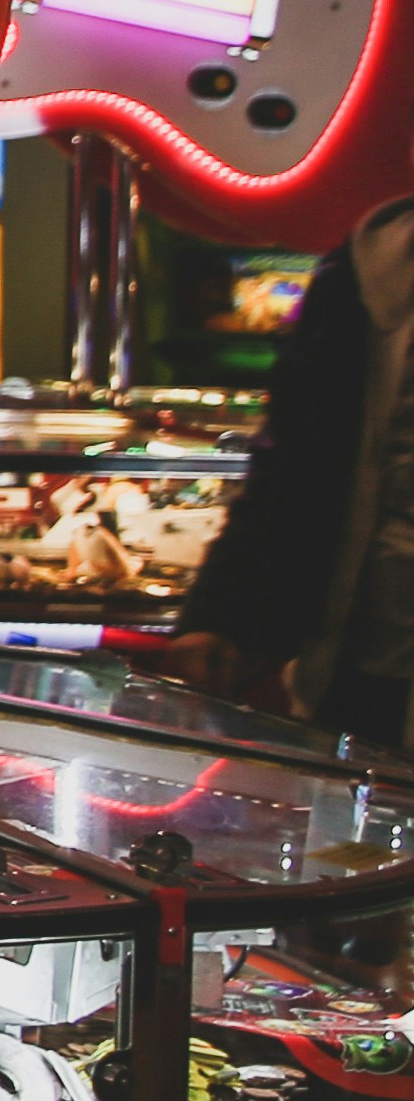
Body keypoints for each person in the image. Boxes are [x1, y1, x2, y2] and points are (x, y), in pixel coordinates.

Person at [184, 195, 414, 744]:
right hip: (377, 653)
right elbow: (301, 458)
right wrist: (224, 613)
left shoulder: (376, 261)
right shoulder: (373, 263)